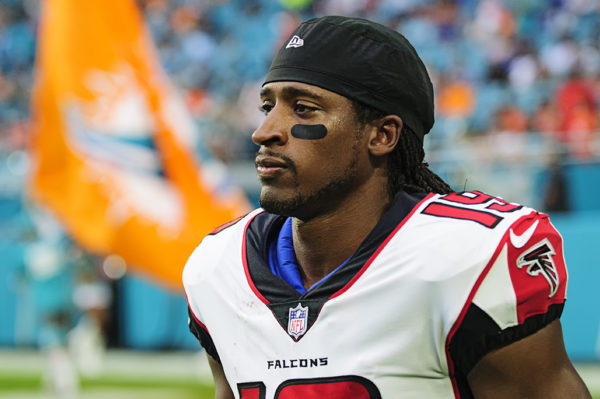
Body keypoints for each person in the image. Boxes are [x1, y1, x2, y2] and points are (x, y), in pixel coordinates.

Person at [183, 16, 590, 398]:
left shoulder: (466, 256)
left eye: (303, 108)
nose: (264, 132)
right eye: (267, 106)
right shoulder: (218, 266)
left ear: (382, 135)